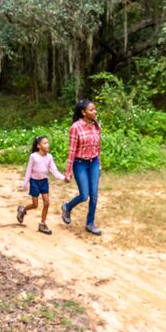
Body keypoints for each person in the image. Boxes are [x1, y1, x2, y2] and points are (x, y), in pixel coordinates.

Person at [62, 99, 102, 235]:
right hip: (80, 164)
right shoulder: (76, 127)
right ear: (83, 112)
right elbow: (72, 150)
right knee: (84, 195)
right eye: (91, 110)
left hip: (94, 163)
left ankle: (90, 223)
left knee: (94, 195)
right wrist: (68, 171)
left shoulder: (97, 126)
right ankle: (67, 207)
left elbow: (98, 147)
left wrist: (99, 164)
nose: (94, 112)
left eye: (95, 109)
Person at [18, 136, 66, 235]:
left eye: (48, 143)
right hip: (34, 182)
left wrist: (63, 178)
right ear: (39, 146)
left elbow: (54, 170)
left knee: (47, 202)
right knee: (35, 205)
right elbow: (29, 170)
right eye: (45, 143)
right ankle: (23, 210)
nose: (47, 145)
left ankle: (42, 224)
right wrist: (25, 183)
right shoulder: (33, 156)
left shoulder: (49, 157)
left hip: (44, 181)